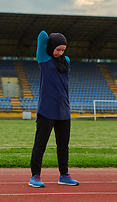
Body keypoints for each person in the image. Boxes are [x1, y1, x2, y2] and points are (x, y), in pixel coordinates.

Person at [28, 30, 79, 188]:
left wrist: (60, 46)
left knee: (63, 145)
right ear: (50, 48)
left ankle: (64, 175)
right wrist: (54, 39)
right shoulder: (44, 59)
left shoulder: (66, 61)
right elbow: (42, 35)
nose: (60, 52)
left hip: (63, 109)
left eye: (63, 50)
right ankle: (35, 176)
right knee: (40, 144)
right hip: (46, 109)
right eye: (57, 49)